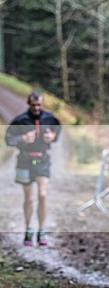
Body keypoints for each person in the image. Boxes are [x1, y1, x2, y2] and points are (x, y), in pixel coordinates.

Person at [4, 91, 62, 246]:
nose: (37, 108)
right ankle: (29, 229)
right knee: (29, 198)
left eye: (39, 105)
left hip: (42, 159)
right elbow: (8, 139)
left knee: (42, 195)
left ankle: (41, 230)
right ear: (28, 104)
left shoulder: (49, 118)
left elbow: (57, 128)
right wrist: (22, 139)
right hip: (24, 160)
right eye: (34, 105)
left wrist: (53, 137)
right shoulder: (20, 120)